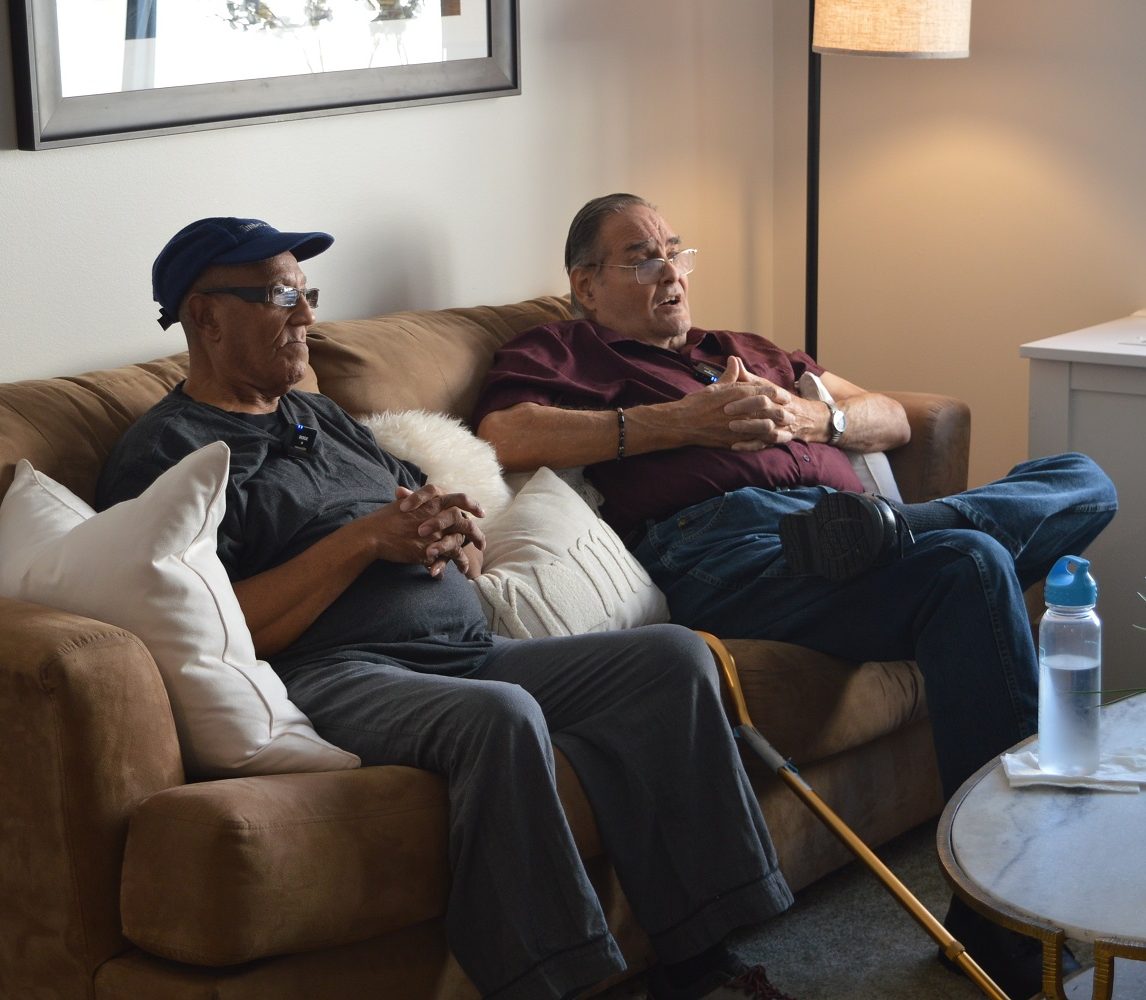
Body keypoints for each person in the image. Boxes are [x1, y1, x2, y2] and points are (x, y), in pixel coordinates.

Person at [95, 217, 802, 1000]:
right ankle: (548, 983)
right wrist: (364, 542)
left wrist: (453, 536)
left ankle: (703, 964)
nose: (305, 316)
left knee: (675, 657)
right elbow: (215, 625)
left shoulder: (318, 416)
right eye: (279, 295)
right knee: (499, 718)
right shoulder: (171, 453)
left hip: (464, 651)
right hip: (330, 674)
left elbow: (435, 515)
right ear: (205, 316)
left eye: (306, 293)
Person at [472, 193, 1119, 999]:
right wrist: (684, 422)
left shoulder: (743, 348)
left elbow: (892, 419)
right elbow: (506, 435)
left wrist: (816, 418)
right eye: (642, 259)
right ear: (586, 284)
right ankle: (1008, 902)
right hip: (728, 551)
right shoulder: (565, 352)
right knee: (971, 562)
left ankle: (885, 533)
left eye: (675, 250)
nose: (670, 272)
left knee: (1083, 479)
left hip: (837, 525)